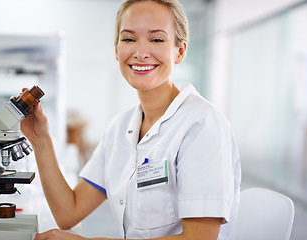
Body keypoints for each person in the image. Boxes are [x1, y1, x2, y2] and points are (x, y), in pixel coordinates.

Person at [21, 0, 241, 239]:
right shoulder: (120, 128)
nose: (140, 52)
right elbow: (68, 212)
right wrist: (41, 141)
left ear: (180, 51)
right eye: (128, 39)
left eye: (156, 39)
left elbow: (200, 238)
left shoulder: (201, 126)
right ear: (116, 50)